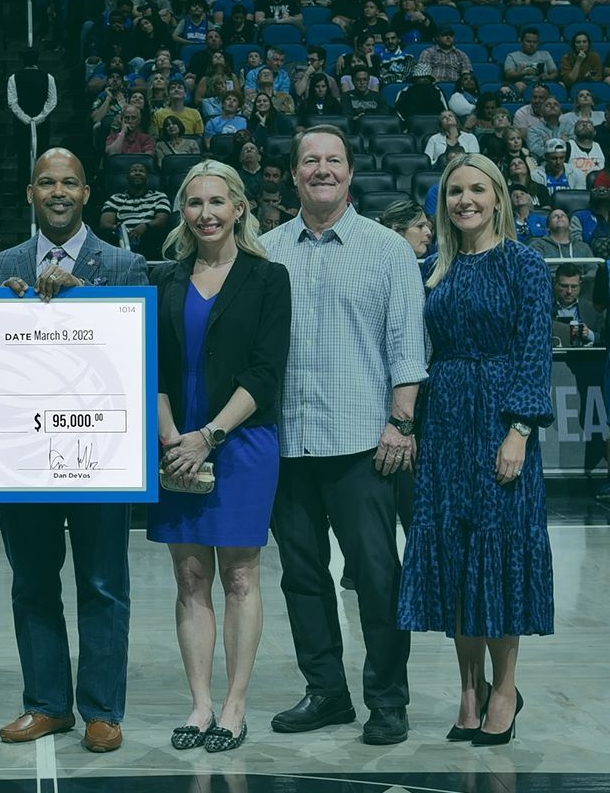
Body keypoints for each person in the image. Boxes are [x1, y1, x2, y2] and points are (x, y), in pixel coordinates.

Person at [259, 125, 427, 746]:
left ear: (351, 173)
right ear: (294, 174)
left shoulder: (387, 250)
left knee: (378, 578)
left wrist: (401, 422)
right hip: (287, 445)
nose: (322, 169)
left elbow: (408, 348)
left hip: (366, 444)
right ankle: (327, 692)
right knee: (302, 579)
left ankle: (387, 699)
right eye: (310, 160)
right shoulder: (265, 250)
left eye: (333, 160)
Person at [0, 148, 148, 753]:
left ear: (86, 194)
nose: (58, 191)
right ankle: (47, 704)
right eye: (47, 182)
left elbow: (139, 357)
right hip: (22, 452)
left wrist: (83, 300)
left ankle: (102, 709)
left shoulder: (126, 265)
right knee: (32, 581)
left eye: (69, 183)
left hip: (100, 451)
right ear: (30, 192)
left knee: (103, 583)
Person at [398, 153, 554, 746]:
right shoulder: (433, 270)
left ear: (498, 199)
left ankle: (506, 689)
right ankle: (469, 690)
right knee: (455, 558)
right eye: (455, 191)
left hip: (500, 423)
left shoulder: (525, 265)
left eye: (477, 190)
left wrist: (519, 430)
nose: (466, 200)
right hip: (445, 426)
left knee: (499, 554)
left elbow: (536, 352)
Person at [149, 159, 291, 754]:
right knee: (189, 577)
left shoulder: (267, 277)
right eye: (193, 203)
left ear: (238, 208)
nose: (205, 214)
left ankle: (234, 707)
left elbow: (265, 371)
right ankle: (200, 704)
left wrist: (206, 436)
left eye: (216, 202)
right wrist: (170, 438)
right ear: (183, 211)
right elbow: (152, 369)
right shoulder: (167, 280)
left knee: (238, 574)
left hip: (240, 443)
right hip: (175, 445)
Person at [7, 49, 58, 186]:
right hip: (40, 122)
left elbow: (12, 102)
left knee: (23, 156)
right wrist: (40, 117)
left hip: (22, 122)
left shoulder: (14, 77)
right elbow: (52, 101)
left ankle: (24, 188)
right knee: (40, 153)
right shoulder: (48, 77)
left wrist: (26, 118)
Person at [99, 161, 170, 257]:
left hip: (149, 238)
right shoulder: (116, 198)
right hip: (121, 238)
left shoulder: (159, 196)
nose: (137, 173)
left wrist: (144, 226)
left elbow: (162, 220)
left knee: (154, 236)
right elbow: (104, 223)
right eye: (133, 171)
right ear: (127, 178)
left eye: (141, 171)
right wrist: (118, 229)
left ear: (148, 179)